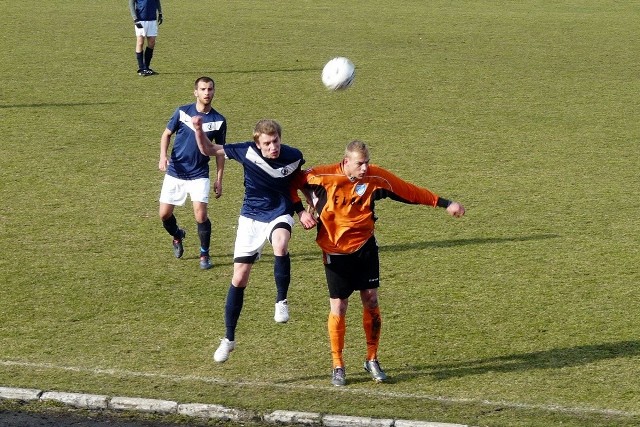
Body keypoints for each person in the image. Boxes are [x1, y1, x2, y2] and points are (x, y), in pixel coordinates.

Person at [292, 140, 465, 386]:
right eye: (360, 164)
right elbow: (290, 182)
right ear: (346, 162)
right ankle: (338, 364)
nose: (365, 168)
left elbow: (409, 191)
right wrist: (302, 210)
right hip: (335, 251)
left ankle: (371, 358)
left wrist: (446, 203)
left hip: (365, 247)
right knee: (339, 307)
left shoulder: (375, 178)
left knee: (371, 299)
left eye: (367, 163)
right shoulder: (322, 175)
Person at [192, 115, 315, 362]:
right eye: (268, 143)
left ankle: (281, 301)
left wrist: (306, 209)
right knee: (239, 277)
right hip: (250, 218)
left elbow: (299, 181)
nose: (273, 147)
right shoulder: (245, 151)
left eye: (276, 141)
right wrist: (197, 129)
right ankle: (228, 339)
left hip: (279, 212)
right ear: (257, 143)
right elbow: (208, 148)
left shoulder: (293, 156)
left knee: (280, 243)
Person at [159, 76, 226, 270]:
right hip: (176, 171)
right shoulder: (182, 112)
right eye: (203, 89)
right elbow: (166, 134)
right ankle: (177, 235)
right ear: (195, 92)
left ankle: (204, 254)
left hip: (199, 173)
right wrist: (163, 156)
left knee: (201, 215)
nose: (207, 93)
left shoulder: (219, 120)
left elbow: (220, 152)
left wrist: (219, 179)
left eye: (210, 89)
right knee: (164, 215)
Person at [129, 0, 163, 76]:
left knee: (152, 42)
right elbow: (131, 3)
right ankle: (141, 68)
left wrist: (160, 12)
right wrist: (135, 18)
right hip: (140, 19)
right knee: (140, 42)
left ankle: (146, 67)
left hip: (152, 19)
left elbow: (157, 1)